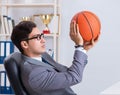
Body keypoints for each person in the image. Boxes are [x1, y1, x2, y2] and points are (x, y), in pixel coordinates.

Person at [11, 20, 99, 95]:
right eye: (38, 37)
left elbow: (68, 73)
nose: (43, 40)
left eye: (42, 36)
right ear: (25, 44)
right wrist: (79, 47)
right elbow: (74, 77)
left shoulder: (43, 56)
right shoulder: (34, 75)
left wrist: (83, 49)